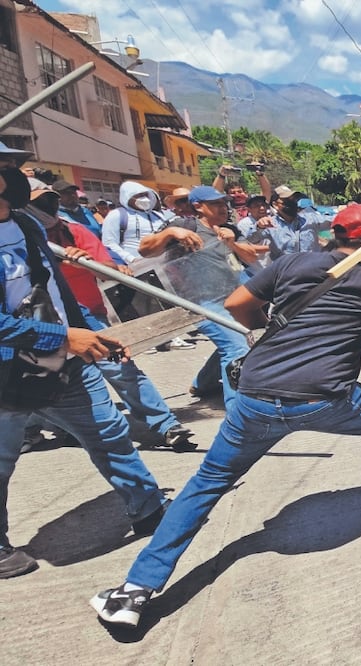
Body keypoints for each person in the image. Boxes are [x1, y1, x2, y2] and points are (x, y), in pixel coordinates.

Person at [90, 193, 361, 627]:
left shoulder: (293, 264)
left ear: (333, 236)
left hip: (255, 398)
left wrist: (264, 329)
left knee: (206, 483)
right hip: (326, 398)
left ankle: (133, 592)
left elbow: (235, 306)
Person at [0, 164, 169, 580]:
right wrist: (62, 337)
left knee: (108, 431)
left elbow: (54, 290)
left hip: (64, 359)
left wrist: (93, 335)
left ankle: (148, 509)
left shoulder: (25, 223)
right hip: (6, 373)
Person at [21, 182, 195, 451]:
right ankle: (33, 429)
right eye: (39, 202)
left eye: (50, 200)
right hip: (40, 316)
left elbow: (108, 270)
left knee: (120, 366)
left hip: (85, 313)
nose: (48, 207)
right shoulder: (16, 236)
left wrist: (84, 260)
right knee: (37, 374)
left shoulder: (72, 230)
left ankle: (165, 424)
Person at [136, 186, 262, 409]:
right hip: (199, 302)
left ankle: (203, 383)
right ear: (198, 207)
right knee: (236, 348)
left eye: (224, 203)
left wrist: (232, 243)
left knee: (236, 340)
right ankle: (239, 412)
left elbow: (251, 257)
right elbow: (145, 249)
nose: (223, 208)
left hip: (231, 299)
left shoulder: (229, 229)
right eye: (216, 204)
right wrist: (169, 234)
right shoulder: (184, 225)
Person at [100, 182, 168, 267]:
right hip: (137, 267)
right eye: (139, 196)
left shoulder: (157, 215)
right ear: (127, 197)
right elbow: (109, 243)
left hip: (165, 263)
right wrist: (131, 259)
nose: (144, 198)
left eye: (145, 195)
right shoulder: (117, 215)